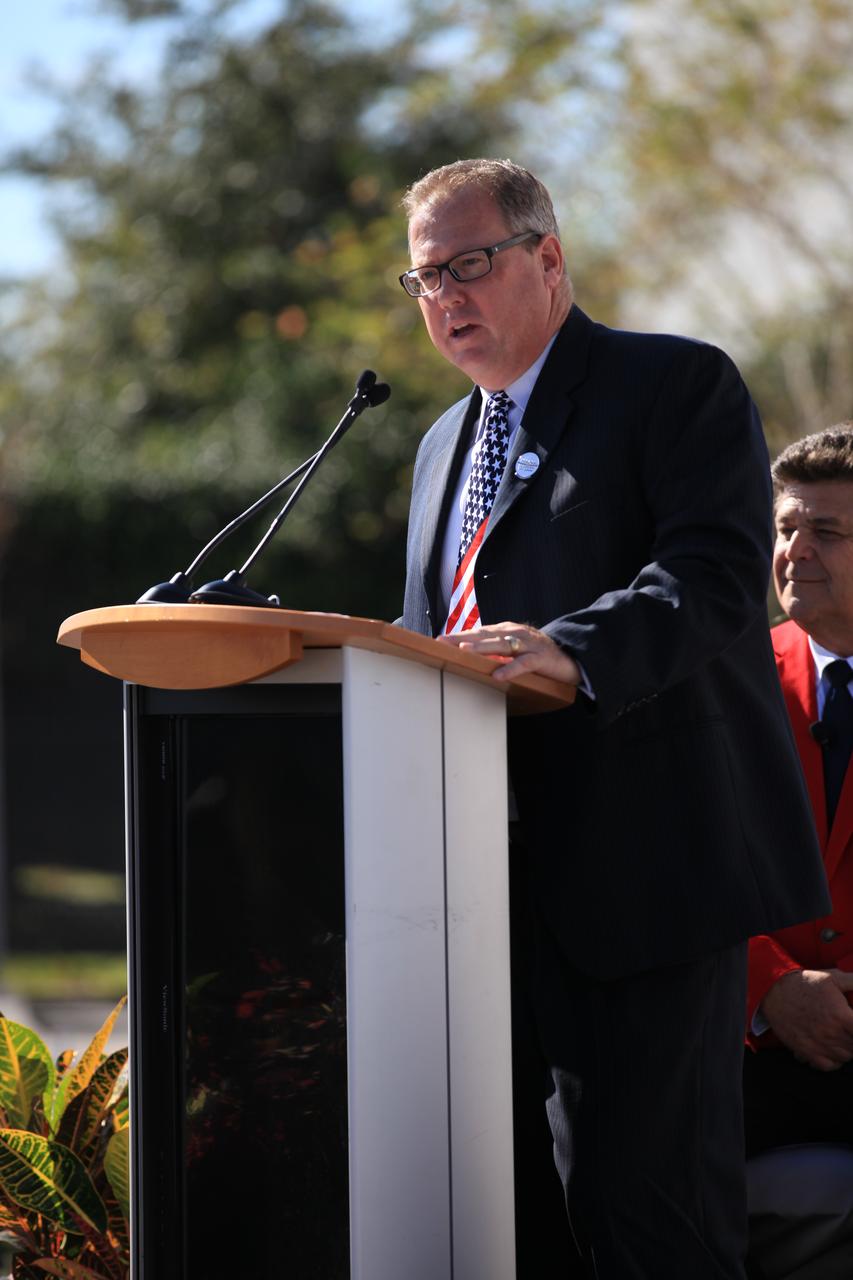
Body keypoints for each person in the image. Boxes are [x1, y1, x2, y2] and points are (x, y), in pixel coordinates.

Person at [396, 157, 829, 1279]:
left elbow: (715, 574)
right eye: (424, 277)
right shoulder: (440, 445)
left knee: (646, 1220)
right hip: (476, 896)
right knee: (515, 1227)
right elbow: (423, 635)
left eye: (469, 264)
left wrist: (570, 653)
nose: (446, 295)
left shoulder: (672, 385)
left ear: (546, 256)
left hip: (645, 880)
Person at [745, 424, 853, 1156]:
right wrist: (770, 986)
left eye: (825, 530)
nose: (795, 551)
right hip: (739, 1053)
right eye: (786, 528)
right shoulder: (720, 681)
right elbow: (666, 864)